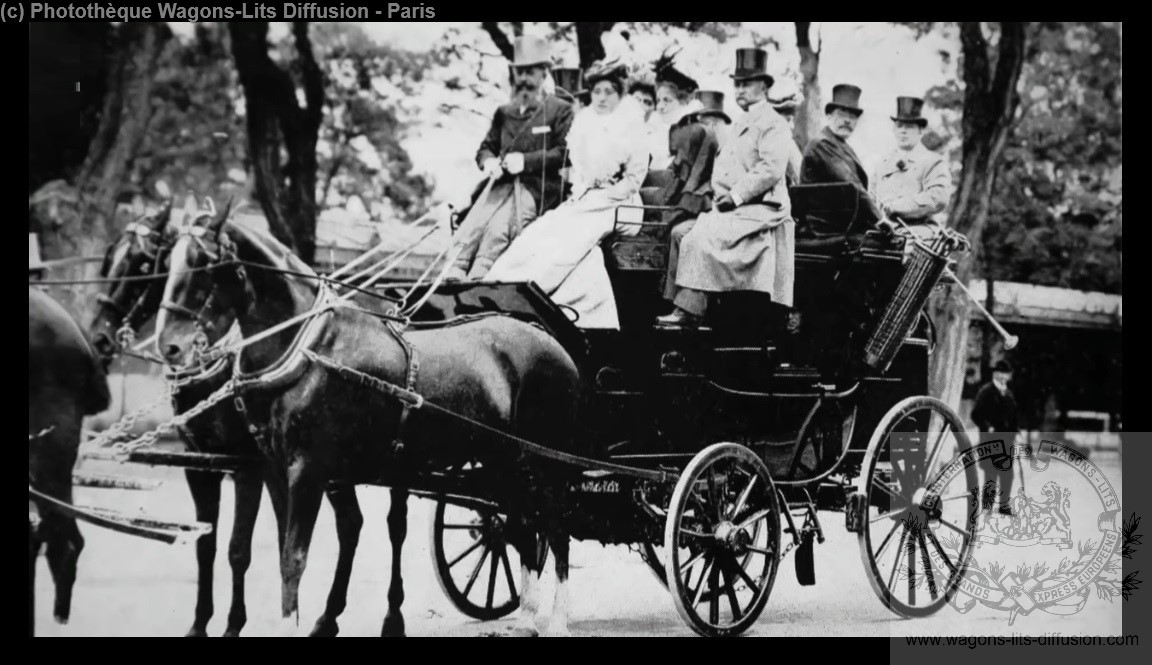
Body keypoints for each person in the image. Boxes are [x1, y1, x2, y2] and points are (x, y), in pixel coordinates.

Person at [484, 60, 648, 329]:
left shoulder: (632, 126)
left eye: (609, 92)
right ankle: (504, 286)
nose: (602, 98)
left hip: (621, 204)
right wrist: (584, 193)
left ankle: (534, 288)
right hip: (587, 198)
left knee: (572, 238)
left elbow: (633, 180)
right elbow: (580, 172)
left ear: (620, 95)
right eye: (597, 92)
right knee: (543, 229)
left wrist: (599, 194)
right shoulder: (585, 124)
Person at [658, 48, 795, 328]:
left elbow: (770, 169)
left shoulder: (773, 123)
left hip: (760, 209)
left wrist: (734, 196)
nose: (740, 89)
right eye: (738, 83)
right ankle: (679, 305)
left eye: (747, 83)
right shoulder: (742, 121)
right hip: (736, 208)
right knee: (679, 232)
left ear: (765, 87)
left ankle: (690, 311)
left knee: (697, 238)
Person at [445, 36, 575, 280]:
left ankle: (479, 276)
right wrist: (489, 161)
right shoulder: (504, 112)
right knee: (473, 222)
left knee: (500, 227)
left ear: (544, 73)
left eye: (530, 72)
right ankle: (455, 269)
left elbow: (566, 152)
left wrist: (525, 161)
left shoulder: (560, 108)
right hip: (499, 185)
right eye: (520, 73)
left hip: (539, 188)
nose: (524, 79)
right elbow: (485, 148)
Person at [657, 90, 729, 301]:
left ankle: (681, 301)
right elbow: (684, 175)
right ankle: (673, 298)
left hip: (721, 210)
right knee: (674, 229)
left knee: (680, 233)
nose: (708, 126)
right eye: (703, 120)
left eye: (713, 121)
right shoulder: (698, 141)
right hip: (705, 204)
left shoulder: (723, 146)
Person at [799, 82, 883, 229]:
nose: (847, 120)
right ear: (829, 115)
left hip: (839, 227)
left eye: (853, 116)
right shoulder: (822, 144)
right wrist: (879, 219)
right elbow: (852, 184)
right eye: (842, 113)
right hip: (821, 230)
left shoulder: (841, 145)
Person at [873, 96, 952, 243]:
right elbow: (871, 200)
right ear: (894, 129)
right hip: (884, 237)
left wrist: (897, 207)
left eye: (909, 127)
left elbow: (939, 197)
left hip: (918, 238)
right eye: (899, 126)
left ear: (920, 130)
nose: (903, 131)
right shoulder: (882, 165)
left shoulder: (933, 161)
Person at [971, 360, 1020, 516]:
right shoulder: (986, 391)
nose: (1003, 376)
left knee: (1007, 473)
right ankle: (987, 506)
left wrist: (1015, 432)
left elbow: (1013, 417)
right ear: (995, 373)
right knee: (990, 474)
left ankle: (1004, 505)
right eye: (1000, 372)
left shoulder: (1009, 394)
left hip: (1007, 441)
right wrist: (987, 427)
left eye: (1006, 373)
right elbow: (975, 414)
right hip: (990, 440)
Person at [768, 84, 804, 188]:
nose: (792, 126)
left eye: (792, 120)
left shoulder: (787, 144)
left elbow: (801, 180)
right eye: (787, 120)